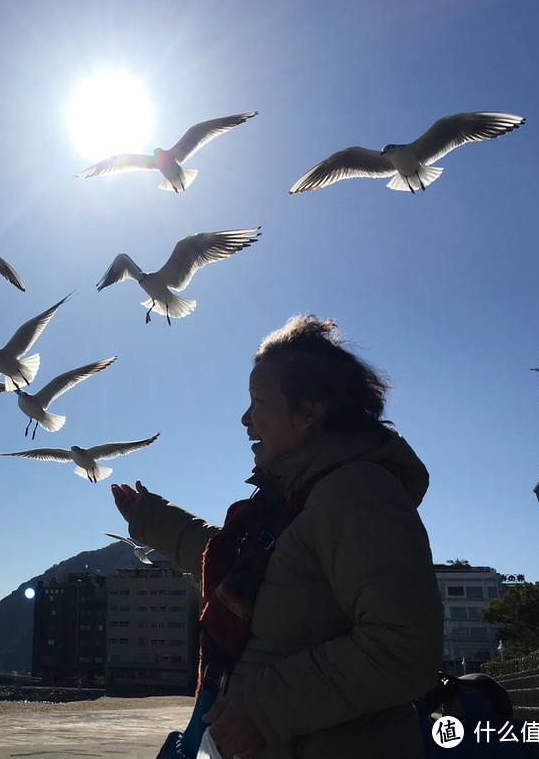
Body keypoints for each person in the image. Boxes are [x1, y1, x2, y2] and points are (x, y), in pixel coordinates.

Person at [112, 314, 443, 759]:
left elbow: (405, 647)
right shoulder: (300, 498)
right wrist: (154, 519)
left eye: (259, 401)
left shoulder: (356, 492)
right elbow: (244, 566)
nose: (245, 418)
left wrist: (261, 711)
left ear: (310, 410)